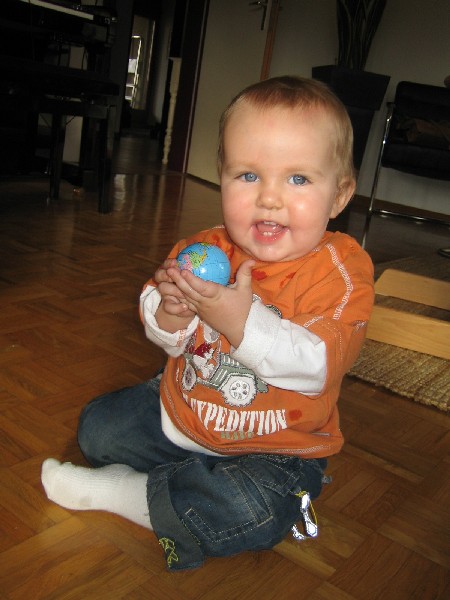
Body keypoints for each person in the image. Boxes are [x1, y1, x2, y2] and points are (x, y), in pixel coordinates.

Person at [41, 76, 374, 570]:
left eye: (299, 179)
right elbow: (164, 327)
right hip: (185, 414)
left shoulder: (341, 272)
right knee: (97, 430)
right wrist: (169, 312)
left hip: (277, 449)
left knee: (256, 511)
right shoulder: (204, 248)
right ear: (222, 176)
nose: (269, 198)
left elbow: (319, 366)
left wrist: (241, 323)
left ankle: (122, 491)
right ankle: (183, 485)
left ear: (340, 195)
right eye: (248, 175)